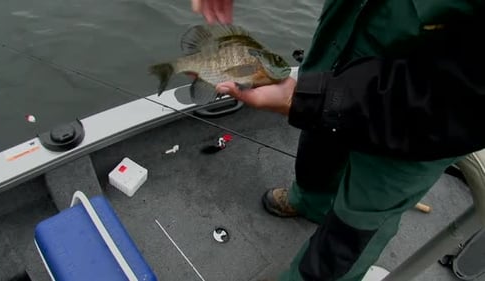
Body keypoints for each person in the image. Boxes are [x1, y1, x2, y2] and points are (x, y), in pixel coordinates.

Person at [191, 0, 485, 280]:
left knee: (353, 231)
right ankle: (310, 202)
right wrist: (318, 99)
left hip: (420, 125)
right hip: (336, 57)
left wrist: (314, 100)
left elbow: (465, 97)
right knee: (317, 153)